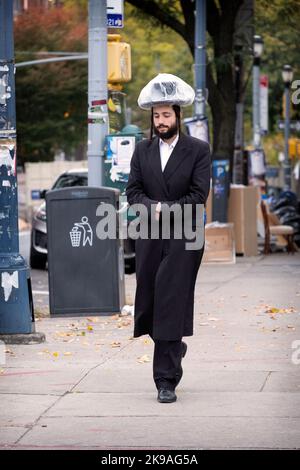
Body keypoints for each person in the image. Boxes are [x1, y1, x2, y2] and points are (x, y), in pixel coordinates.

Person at [126, 74, 211, 403]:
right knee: (148, 303)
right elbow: (132, 192)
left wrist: (167, 210)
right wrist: (153, 208)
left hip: (185, 237)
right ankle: (174, 344)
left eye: (166, 115)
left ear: (178, 116)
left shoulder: (197, 150)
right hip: (148, 234)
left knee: (170, 302)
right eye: (156, 116)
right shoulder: (142, 150)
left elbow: (198, 194)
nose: (161, 122)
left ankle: (166, 379)